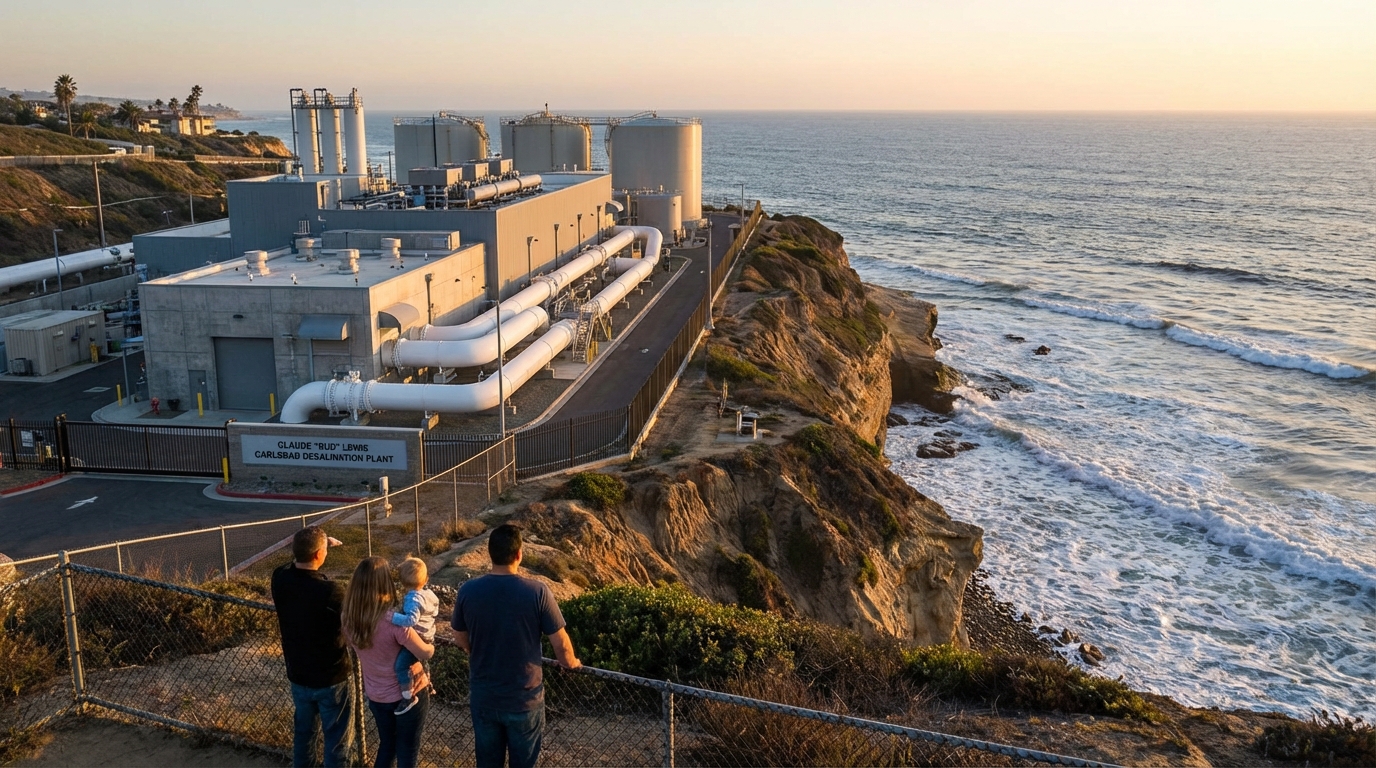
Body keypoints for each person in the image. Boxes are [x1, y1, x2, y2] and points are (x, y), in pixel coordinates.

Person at [452, 524, 581, 768]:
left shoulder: (468, 590)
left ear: (489, 553)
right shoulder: (538, 592)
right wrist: (571, 663)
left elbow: (458, 633)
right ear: (519, 554)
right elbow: (561, 644)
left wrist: (473, 649)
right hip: (524, 699)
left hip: (484, 697)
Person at [270, 527, 353, 768]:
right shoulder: (331, 591)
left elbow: (289, 564)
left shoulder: (280, 579)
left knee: (304, 736)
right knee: (336, 742)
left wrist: (313, 544)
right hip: (331, 676)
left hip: (298, 674)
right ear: (319, 555)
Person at [343, 557, 434, 768]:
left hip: (377, 695)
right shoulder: (394, 623)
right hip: (409, 694)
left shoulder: (348, 618)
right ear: (386, 584)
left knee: (387, 745)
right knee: (407, 751)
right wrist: (432, 645)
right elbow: (425, 653)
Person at [390, 556, 439, 715]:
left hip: (418, 638)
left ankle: (408, 696)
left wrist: (393, 617)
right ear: (426, 579)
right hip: (429, 636)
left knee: (401, 666)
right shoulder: (429, 594)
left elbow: (411, 619)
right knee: (422, 659)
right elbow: (434, 611)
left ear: (403, 582)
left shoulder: (413, 598)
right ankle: (428, 683)